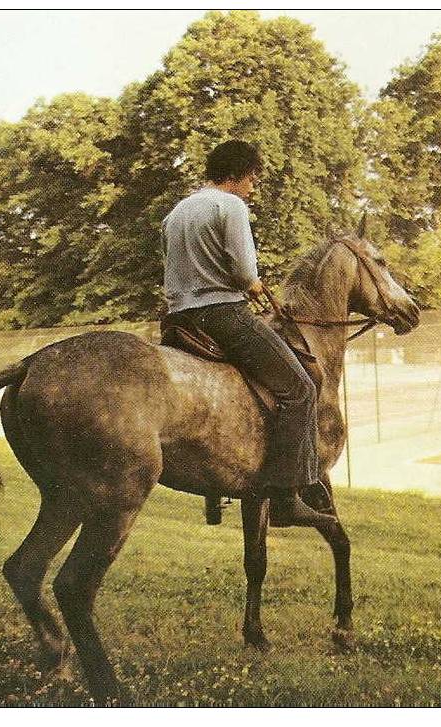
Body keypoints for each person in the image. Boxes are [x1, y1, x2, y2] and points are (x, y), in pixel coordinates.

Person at [162, 140, 334, 527]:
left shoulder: (176, 212)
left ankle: (215, 493)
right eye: (252, 177)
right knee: (301, 388)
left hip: (178, 320)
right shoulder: (231, 206)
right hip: (221, 315)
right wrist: (255, 286)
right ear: (237, 174)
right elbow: (242, 273)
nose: (253, 186)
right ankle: (286, 496)